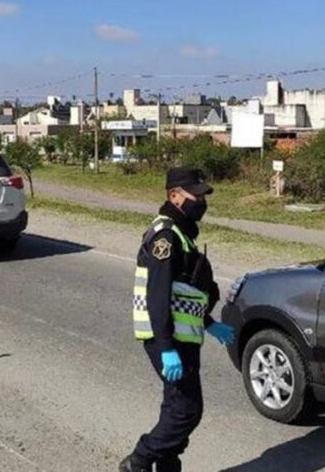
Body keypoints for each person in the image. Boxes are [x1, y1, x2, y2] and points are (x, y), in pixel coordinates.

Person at [120, 167, 235, 472]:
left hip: (183, 336)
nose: (201, 200)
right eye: (194, 195)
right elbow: (158, 294)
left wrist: (208, 323)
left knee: (175, 407)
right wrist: (166, 345)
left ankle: (167, 466)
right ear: (174, 196)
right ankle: (139, 461)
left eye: (202, 195)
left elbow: (184, 291)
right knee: (186, 411)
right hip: (168, 339)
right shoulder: (166, 236)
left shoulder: (182, 233)